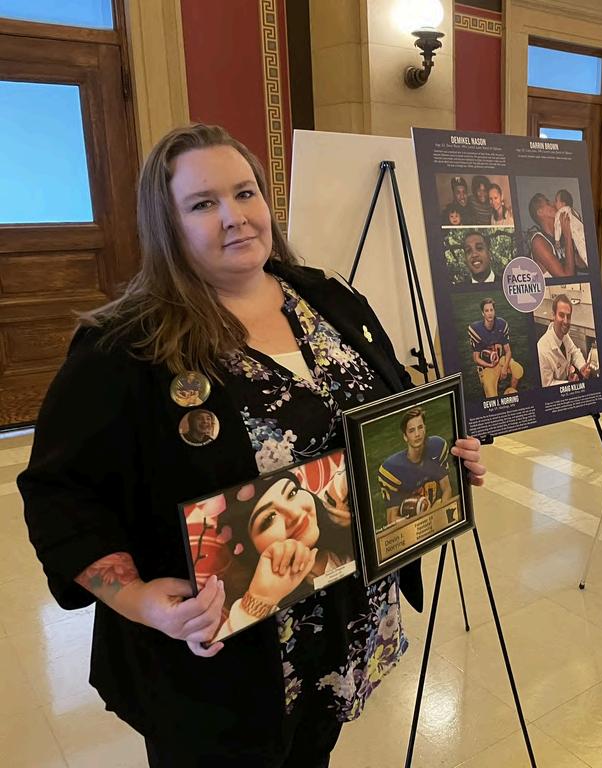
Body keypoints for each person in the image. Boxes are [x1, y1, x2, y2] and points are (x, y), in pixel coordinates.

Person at [17, 123, 486, 767]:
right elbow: (58, 494)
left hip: (340, 625)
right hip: (217, 660)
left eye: (245, 193)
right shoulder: (126, 346)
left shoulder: (330, 299)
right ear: (167, 225)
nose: (234, 216)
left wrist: (443, 453)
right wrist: (136, 598)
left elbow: (396, 408)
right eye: (202, 203)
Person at [211, 469, 356, 641]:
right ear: (251, 551)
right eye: (269, 518)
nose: (294, 514)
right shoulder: (268, 605)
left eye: (292, 493)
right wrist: (259, 600)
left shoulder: (335, 506)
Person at [379, 408, 454, 526]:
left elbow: (447, 489)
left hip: (436, 512)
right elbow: (392, 519)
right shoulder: (393, 469)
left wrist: (439, 512)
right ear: (405, 436)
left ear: (425, 429)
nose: (417, 434)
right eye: (411, 430)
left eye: (420, 427)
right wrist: (422, 521)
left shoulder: (437, 448)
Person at [468, 297, 523, 397]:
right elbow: (476, 358)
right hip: (486, 366)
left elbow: (508, 351)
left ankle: (511, 391)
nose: (489, 313)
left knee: (518, 370)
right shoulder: (476, 329)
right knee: (492, 396)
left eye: (491, 310)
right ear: (482, 313)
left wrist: (505, 368)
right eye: (486, 311)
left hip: (500, 360)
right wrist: (490, 365)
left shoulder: (501, 324)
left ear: (494, 311)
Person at [537, 293, 594, 386]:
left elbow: (574, 352)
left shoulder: (564, 335)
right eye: (561, 315)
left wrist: (582, 367)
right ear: (553, 315)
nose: (566, 321)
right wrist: (569, 384)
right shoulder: (542, 350)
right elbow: (547, 384)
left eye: (568, 316)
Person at [527, 193, 583, 277]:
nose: (554, 204)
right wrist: (568, 235)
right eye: (548, 203)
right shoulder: (538, 242)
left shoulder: (560, 236)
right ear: (540, 212)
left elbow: (579, 262)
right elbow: (567, 277)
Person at [553, 189, 588, 268]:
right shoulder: (573, 210)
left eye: (556, 200)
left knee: (583, 253)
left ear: (563, 203)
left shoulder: (560, 213)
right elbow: (578, 218)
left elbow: (557, 226)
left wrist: (557, 240)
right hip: (582, 232)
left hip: (577, 236)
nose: (554, 203)